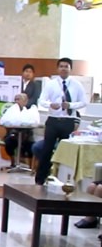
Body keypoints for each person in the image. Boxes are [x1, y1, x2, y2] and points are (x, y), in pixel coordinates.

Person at [35, 57, 87, 185]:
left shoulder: (77, 85)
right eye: (61, 66)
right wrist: (50, 104)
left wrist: (70, 105)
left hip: (68, 121)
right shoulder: (51, 84)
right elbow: (41, 101)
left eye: (66, 66)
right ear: (58, 68)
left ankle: (65, 180)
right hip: (53, 120)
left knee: (67, 150)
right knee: (47, 150)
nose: (64, 68)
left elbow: (83, 102)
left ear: (70, 69)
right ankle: (40, 179)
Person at [0, 93, 37, 167]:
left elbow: (33, 123)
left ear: (25, 101)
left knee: (30, 146)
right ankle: (13, 162)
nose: (16, 101)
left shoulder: (30, 111)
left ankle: (31, 166)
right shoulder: (11, 110)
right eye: (15, 100)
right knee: (8, 143)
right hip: (13, 134)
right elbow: (5, 121)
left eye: (18, 99)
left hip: (27, 135)